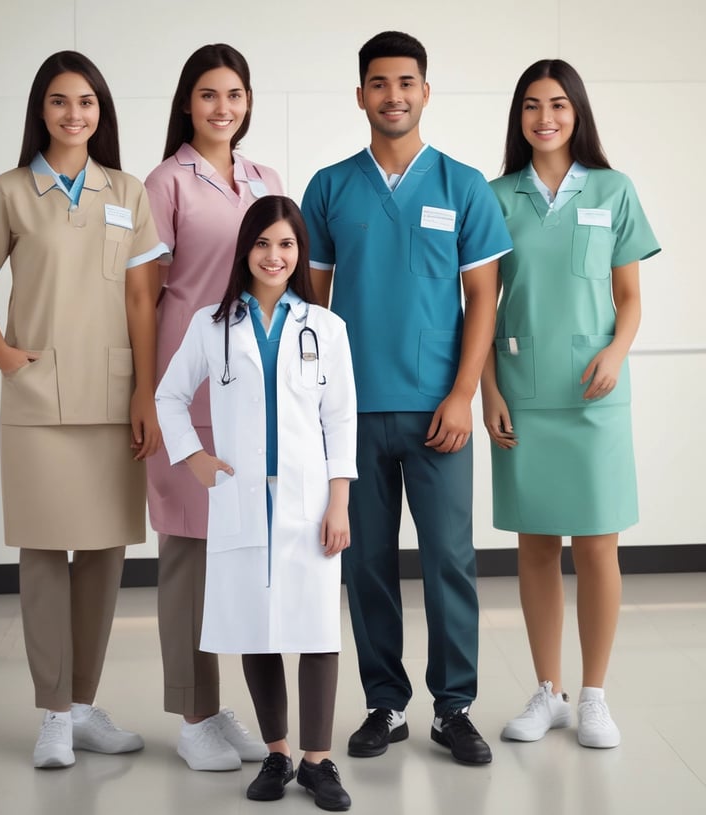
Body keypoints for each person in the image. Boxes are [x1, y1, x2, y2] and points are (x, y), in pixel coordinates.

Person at [301, 31, 512, 765]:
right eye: (380, 84)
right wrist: (314, 405)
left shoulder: (463, 185)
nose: (394, 95)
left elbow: (483, 297)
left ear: (426, 91)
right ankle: (384, 703)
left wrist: (462, 394)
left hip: (438, 412)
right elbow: (312, 309)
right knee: (364, 562)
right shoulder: (329, 187)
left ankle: (454, 707)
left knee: (450, 558)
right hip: (350, 412)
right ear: (361, 94)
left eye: (407, 83)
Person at [0, 51, 167, 768]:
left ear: (101, 112)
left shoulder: (129, 192)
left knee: (105, 554)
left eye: (86, 102)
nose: (73, 114)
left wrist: (145, 389)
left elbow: (143, 297)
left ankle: (83, 704)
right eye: (59, 101)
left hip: (113, 394)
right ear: (40, 111)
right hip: (37, 395)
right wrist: (5, 356)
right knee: (45, 553)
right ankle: (52, 711)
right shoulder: (9, 192)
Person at [156, 195, 357, 810]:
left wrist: (339, 503)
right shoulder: (211, 327)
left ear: (300, 254)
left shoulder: (324, 328)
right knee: (256, 628)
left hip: (308, 500)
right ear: (246, 249)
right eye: (264, 244)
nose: (275, 256)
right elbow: (169, 397)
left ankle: (318, 763)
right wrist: (193, 458)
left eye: (288, 245)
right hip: (242, 498)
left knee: (318, 628)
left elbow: (340, 418)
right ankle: (276, 754)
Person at [481, 59, 660, 749]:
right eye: (531, 105)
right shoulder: (495, 196)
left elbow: (631, 297)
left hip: (594, 393)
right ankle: (547, 691)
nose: (545, 117)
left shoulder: (613, 191)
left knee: (596, 546)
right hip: (522, 391)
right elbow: (481, 304)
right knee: (534, 545)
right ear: (518, 117)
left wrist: (617, 352)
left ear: (577, 111)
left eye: (557, 104)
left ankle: (593, 695)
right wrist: (487, 387)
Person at [144, 43, 284, 771]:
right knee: (187, 558)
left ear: (248, 101)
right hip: (185, 389)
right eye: (208, 95)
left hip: (250, 391)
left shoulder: (264, 178)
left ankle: (220, 701)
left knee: (240, 555)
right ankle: (193, 714)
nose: (222, 107)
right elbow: (144, 294)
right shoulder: (167, 182)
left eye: (234, 94)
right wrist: (146, 390)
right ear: (187, 102)